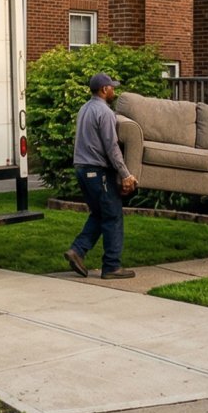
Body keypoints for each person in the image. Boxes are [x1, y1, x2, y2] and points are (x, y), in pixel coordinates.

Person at [64, 72, 138, 280]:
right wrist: (125, 174)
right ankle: (112, 266)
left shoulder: (84, 109)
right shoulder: (104, 113)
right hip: (97, 172)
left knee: (99, 214)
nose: (114, 90)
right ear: (104, 90)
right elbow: (111, 146)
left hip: (82, 169)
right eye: (112, 87)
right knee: (113, 216)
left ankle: (77, 251)